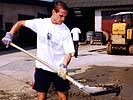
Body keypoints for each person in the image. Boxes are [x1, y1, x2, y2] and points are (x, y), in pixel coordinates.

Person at [1, 1, 75, 100]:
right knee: (41, 96)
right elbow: (20, 23)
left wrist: (64, 65)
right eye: (61, 16)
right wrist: (10, 34)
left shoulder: (65, 31)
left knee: (63, 96)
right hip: (42, 68)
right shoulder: (41, 23)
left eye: (65, 16)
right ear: (53, 12)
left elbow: (68, 52)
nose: (63, 19)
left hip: (59, 69)